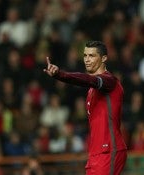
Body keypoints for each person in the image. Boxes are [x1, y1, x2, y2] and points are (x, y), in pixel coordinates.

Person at [43, 41, 127, 175]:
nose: (87, 60)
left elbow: (89, 80)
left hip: (109, 149)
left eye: (92, 56)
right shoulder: (91, 91)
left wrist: (60, 74)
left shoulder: (110, 81)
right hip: (95, 153)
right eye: (85, 55)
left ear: (104, 58)